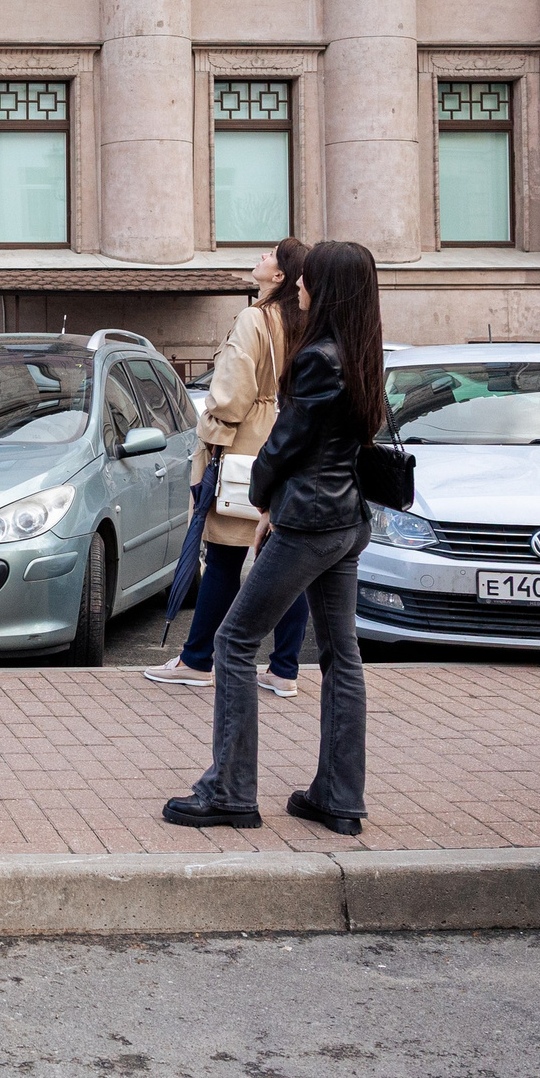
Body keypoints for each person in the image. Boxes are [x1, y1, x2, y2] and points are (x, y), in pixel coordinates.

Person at [164, 240, 384, 838]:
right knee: (343, 655)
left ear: (328, 289)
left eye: (308, 280)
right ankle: (339, 796)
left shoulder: (319, 357)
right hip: (347, 521)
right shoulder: (364, 351)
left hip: (308, 521)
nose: (300, 287)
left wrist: (262, 497)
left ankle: (230, 790)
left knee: (233, 641)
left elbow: (286, 442)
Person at [147, 239, 312, 697]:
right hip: (289, 444)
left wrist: (211, 449)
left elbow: (230, 393)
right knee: (285, 563)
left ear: (278, 276)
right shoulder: (304, 320)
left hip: (242, 446)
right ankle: (284, 669)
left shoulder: (255, 318)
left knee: (221, 558)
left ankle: (197, 660)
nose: (261, 257)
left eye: (270, 255)